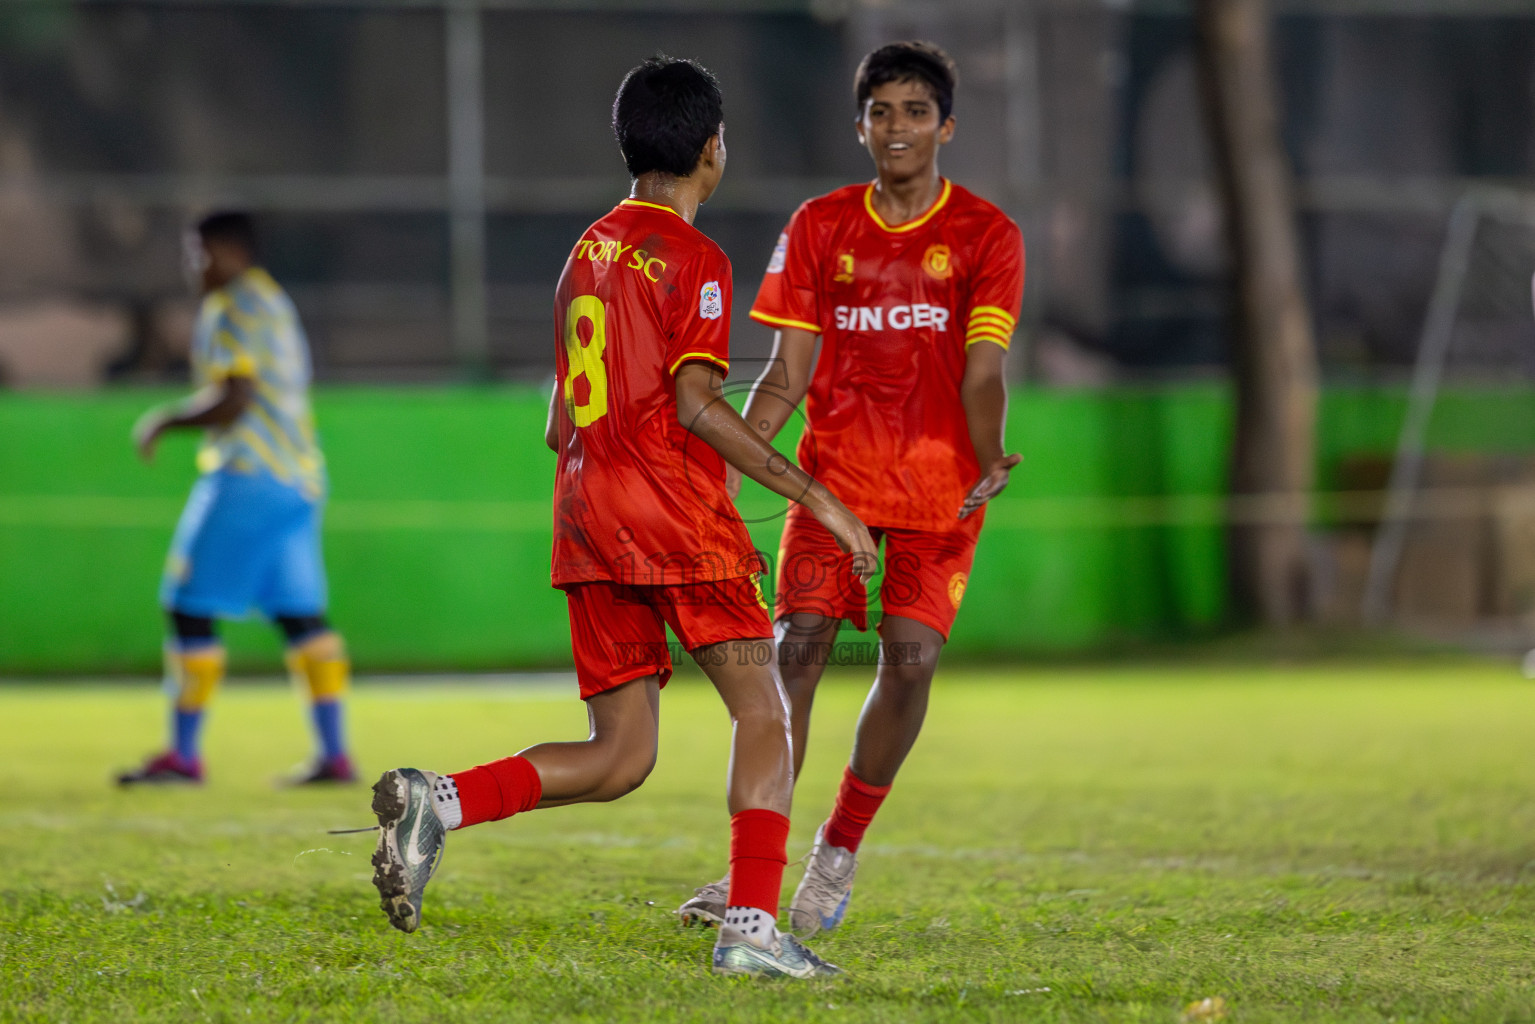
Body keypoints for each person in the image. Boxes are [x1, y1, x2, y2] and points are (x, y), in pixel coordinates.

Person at [360, 56, 876, 979]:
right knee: (764, 710)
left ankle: (441, 801)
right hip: (671, 514)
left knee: (620, 757)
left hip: (586, 512)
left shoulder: (583, 254)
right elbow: (695, 407)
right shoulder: (697, 259)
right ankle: (752, 930)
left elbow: (557, 420)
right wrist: (818, 499)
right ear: (712, 149)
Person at [677, 41, 1025, 937]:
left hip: (940, 497)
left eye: (915, 111)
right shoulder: (821, 224)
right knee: (794, 651)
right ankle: (751, 870)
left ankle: (838, 850)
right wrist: (737, 456)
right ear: (860, 126)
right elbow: (786, 375)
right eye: (881, 112)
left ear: (944, 126)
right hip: (833, 484)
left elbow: (984, 369)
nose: (897, 127)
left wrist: (989, 449)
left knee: (908, 668)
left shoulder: (986, 235)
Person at [117, 212, 356, 787]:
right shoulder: (273, 301)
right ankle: (334, 755)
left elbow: (236, 396)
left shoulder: (233, 307)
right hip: (298, 479)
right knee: (302, 618)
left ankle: (183, 756)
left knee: (187, 605)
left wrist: (165, 419)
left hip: (247, 475)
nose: (192, 266)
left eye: (198, 252)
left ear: (227, 250)